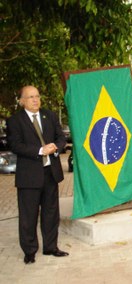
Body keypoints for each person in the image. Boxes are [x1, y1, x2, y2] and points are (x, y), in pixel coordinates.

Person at [6, 86, 69, 264]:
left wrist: (56, 147)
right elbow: (15, 145)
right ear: (22, 101)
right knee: (29, 216)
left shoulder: (49, 115)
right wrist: (41, 150)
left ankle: (51, 247)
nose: (35, 100)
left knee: (51, 213)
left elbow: (61, 137)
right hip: (29, 176)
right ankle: (30, 251)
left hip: (50, 173)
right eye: (31, 97)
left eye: (37, 96)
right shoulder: (15, 121)